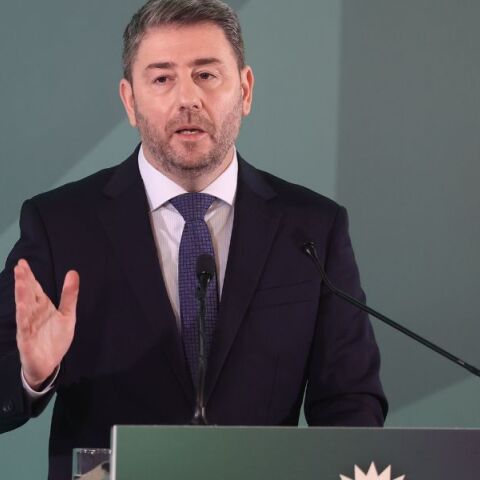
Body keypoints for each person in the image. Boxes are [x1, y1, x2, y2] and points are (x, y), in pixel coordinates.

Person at [0, 0, 387, 478]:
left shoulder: (312, 229)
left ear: (245, 90)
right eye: (162, 78)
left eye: (206, 75)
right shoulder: (60, 224)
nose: (187, 98)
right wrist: (31, 376)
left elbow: (350, 400)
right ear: (130, 101)